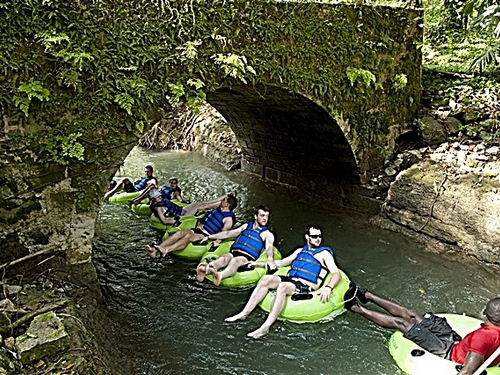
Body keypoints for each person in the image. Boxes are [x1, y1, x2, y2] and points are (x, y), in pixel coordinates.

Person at [343, 284, 500, 375]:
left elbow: (468, 371)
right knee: (413, 316)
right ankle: (367, 296)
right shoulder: (490, 333)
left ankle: (356, 309)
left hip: (448, 352)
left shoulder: (483, 338)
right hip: (455, 341)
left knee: (403, 324)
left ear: (484, 312)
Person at [223, 224, 341, 339]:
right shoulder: (300, 251)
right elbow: (281, 263)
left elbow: (336, 273)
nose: (318, 239)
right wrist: (257, 264)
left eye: (320, 236)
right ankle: (244, 313)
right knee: (266, 279)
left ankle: (266, 326)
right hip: (292, 280)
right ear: (307, 237)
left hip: (305, 285)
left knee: (283, 286)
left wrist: (329, 287)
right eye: (315, 236)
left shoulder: (324, 254)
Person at [196, 205, 276, 287]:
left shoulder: (267, 234)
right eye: (262, 215)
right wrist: (210, 237)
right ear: (255, 216)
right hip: (234, 252)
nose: (265, 219)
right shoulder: (246, 226)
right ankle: (205, 270)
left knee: (235, 261)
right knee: (224, 258)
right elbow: (228, 234)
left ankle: (220, 275)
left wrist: (270, 258)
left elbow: (269, 247)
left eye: (267, 216)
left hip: (246, 257)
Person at [144, 193, 238, 259]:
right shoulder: (219, 209)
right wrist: (205, 212)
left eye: (224, 200)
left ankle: (166, 250)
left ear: (227, 204)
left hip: (206, 236)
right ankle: (155, 250)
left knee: (188, 236)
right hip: (199, 229)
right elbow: (211, 215)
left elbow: (224, 233)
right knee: (180, 232)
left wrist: (216, 242)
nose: (221, 200)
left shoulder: (228, 219)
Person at [149, 188, 237, 226]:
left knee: (201, 202)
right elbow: (164, 221)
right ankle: (225, 203)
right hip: (181, 216)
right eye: (157, 197)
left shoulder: (161, 201)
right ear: (153, 199)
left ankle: (226, 196)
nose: (160, 197)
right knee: (203, 206)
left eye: (160, 196)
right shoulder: (158, 207)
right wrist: (176, 222)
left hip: (181, 210)